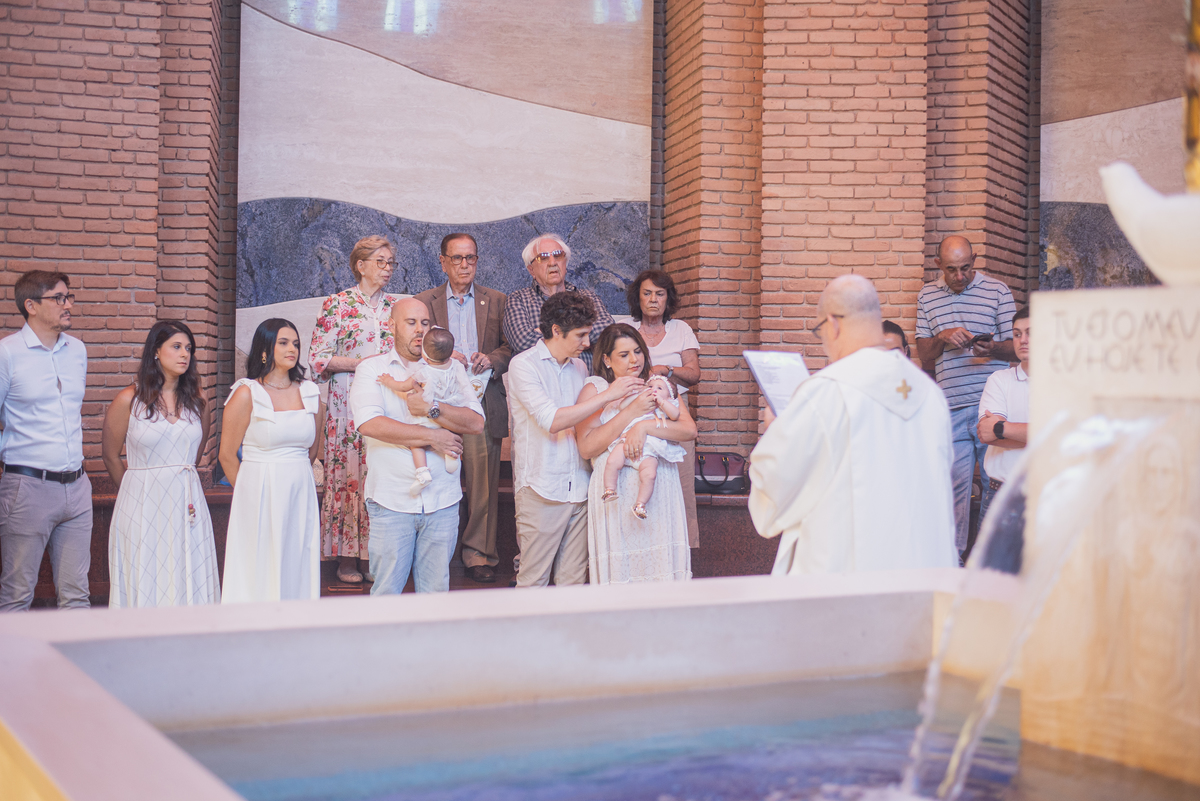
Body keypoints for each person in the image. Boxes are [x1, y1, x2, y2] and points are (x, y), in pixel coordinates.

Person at [749, 275, 958, 574]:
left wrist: (775, 431)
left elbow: (775, 498)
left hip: (850, 585)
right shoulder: (930, 393)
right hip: (923, 578)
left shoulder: (827, 391)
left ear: (832, 324)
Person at [349, 298, 485, 595]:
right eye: (411, 323)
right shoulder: (372, 369)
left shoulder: (451, 368)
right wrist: (433, 437)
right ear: (392, 326)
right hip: (391, 500)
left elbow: (475, 422)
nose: (419, 330)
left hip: (443, 500)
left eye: (425, 323)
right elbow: (370, 424)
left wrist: (433, 409)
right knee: (386, 593)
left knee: (435, 595)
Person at [507, 293, 640, 587]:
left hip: (580, 487)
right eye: (581, 335)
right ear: (556, 331)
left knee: (573, 584)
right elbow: (552, 421)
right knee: (533, 582)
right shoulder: (524, 365)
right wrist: (609, 394)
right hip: (542, 487)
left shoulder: (579, 367)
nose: (587, 343)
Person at [414, 233, 511, 584]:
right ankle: (432, 553)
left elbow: (510, 345)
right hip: (434, 403)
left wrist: (493, 359)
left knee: (483, 482)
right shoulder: (424, 302)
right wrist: (439, 355)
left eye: (470, 258)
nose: (464, 265)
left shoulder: (497, 300)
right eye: (457, 258)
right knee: (435, 475)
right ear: (443, 262)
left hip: (480, 403)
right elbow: (412, 346)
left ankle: (478, 554)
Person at [102, 321, 220, 607]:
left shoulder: (198, 401)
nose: (185, 355)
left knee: (187, 569)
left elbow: (195, 452)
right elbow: (109, 454)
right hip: (141, 504)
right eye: (176, 347)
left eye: (189, 349)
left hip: (186, 501)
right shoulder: (129, 399)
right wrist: (136, 490)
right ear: (156, 351)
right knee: (145, 572)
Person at [916, 235, 1017, 557]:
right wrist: (942, 337)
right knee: (954, 488)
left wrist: (992, 348)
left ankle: (990, 560)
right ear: (938, 266)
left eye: (966, 268)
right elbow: (923, 353)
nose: (960, 276)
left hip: (992, 408)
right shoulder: (927, 296)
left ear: (975, 260)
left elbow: (1016, 348)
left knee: (993, 484)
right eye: (951, 270)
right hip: (951, 408)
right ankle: (952, 561)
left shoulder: (998, 291)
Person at [309, 235, 397, 585]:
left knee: (380, 475)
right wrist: (364, 364)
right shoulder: (337, 304)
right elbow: (318, 358)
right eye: (380, 261)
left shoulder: (396, 308)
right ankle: (346, 557)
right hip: (347, 406)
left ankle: (374, 555)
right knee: (348, 478)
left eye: (391, 262)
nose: (387, 268)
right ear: (360, 265)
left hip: (387, 403)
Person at [0, 271, 91, 611]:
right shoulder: (7, 353)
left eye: (69, 296)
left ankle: (74, 666)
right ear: (31, 306)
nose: (68, 305)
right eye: (59, 298)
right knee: (17, 596)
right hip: (27, 487)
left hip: (77, 487)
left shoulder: (77, 351)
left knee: (77, 597)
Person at [576, 324, 695, 584]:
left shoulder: (658, 385)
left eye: (638, 352)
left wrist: (644, 426)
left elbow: (688, 430)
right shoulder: (596, 389)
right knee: (623, 573)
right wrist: (631, 413)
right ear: (606, 359)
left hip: (658, 484)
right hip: (615, 488)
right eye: (624, 354)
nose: (634, 360)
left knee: (659, 573)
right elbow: (586, 446)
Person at [219, 319, 324, 603]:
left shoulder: (310, 392)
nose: (292, 349)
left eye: (296, 343)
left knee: (296, 556)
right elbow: (227, 454)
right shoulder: (246, 393)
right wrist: (249, 495)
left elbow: (311, 449)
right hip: (258, 490)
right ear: (265, 349)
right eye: (283, 342)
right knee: (259, 561)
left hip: (299, 488)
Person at [627, 269, 702, 547]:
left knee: (681, 483)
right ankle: (642, 545)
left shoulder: (680, 329)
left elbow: (694, 374)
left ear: (668, 298)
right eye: (647, 293)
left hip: (674, 413)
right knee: (639, 478)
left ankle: (683, 547)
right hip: (636, 412)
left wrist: (667, 370)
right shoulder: (628, 329)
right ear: (638, 297)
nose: (653, 300)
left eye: (660, 294)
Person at [377, 328, 475, 494]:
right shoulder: (455, 367)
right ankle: (451, 454)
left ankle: (422, 472)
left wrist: (388, 381)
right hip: (449, 413)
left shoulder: (423, 372)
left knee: (416, 442)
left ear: (425, 354)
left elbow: (402, 386)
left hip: (427, 418)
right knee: (452, 432)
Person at [502, 233, 614, 370]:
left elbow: (608, 331)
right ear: (531, 270)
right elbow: (523, 342)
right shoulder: (518, 299)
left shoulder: (588, 297)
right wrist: (581, 334)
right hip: (543, 382)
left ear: (565, 263)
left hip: (589, 381)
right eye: (543, 258)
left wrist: (550, 332)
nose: (552, 262)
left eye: (558, 255)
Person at [975, 307, 1031, 572]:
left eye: (1032, 333)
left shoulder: (1062, 383)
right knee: (989, 587)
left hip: (1045, 497)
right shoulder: (999, 380)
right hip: (999, 495)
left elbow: (1063, 435)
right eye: (1017, 334)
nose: (1023, 340)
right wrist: (1036, 433)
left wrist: (1004, 428)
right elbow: (987, 433)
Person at [598, 373, 682, 519]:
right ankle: (609, 490)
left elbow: (675, 415)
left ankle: (640, 505)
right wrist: (638, 395)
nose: (653, 389)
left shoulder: (665, 406)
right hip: (628, 440)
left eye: (659, 388)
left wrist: (661, 402)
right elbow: (622, 406)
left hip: (649, 448)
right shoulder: (639, 402)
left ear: (669, 396)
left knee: (650, 475)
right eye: (650, 386)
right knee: (612, 461)